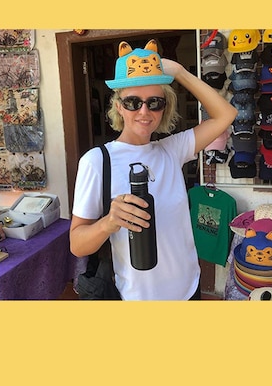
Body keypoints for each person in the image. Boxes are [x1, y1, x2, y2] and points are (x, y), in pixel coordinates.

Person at [69, 39, 237, 300]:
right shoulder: (96, 161)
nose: (144, 111)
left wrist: (180, 72)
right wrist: (109, 223)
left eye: (154, 102)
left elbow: (225, 114)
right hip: (136, 297)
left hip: (188, 290)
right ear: (118, 107)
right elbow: (77, 245)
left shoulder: (171, 150)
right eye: (133, 102)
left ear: (164, 107)